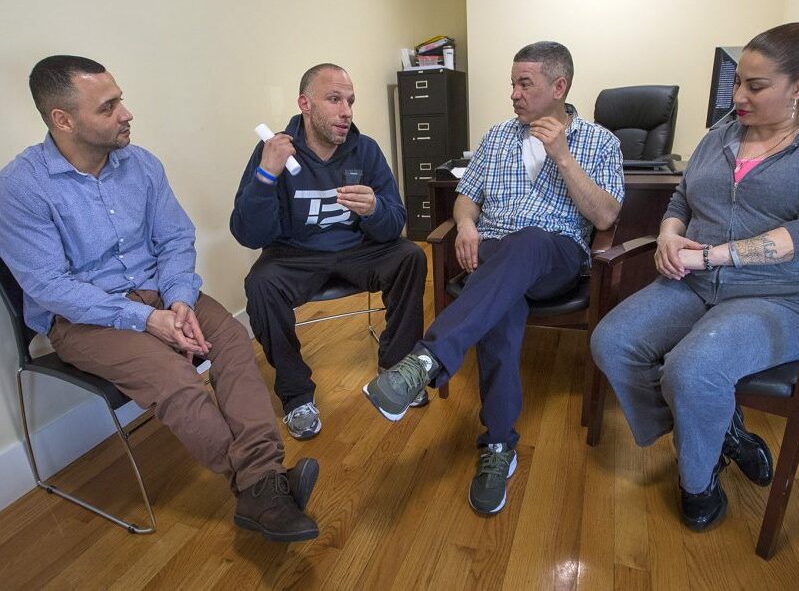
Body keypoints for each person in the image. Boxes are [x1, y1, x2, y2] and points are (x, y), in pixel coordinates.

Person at [0, 55, 319, 543]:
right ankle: (264, 486)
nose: (126, 113)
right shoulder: (22, 186)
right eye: (108, 107)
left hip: (160, 292)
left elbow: (174, 239)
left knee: (233, 341)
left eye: (120, 99)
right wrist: (146, 319)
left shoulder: (142, 164)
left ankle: (261, 484)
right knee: (174, 377)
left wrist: (178, 301)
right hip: (83, 319)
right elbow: (49, 286)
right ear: (62, 120)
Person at [590, 22, 799, 531]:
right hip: (694, 282)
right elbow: (680, 199)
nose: (738, 95)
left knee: (693, 371)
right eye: (738, 81)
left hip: (780, 295)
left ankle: (698, 483)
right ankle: (723, 433)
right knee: (613, 341)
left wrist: (715, 256)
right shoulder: (722, 133)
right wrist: (671, 235)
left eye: (755, 87)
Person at [363, 42, 624, 514]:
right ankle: (498, 446)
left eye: (525, 84)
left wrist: (563, 157)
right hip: (493, 257)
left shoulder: (600, 141)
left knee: (528, 241)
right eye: (512, 83)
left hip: (555, 256)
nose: (514, 94)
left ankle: (425, 361)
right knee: (502, 309)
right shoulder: (497, 136)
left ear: (558, 87)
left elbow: (606, 216)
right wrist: (465, 224)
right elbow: (467, 195)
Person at [230, 64, 427, 440]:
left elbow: (394, 220)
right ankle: (296, 396)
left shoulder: (365, 150)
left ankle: (397, 369)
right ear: (305, 103)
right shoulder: (273, 150)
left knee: (410, 256)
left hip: (357, 249)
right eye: (334, 99)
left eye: (350, 101)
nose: (346, 111)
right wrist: (266, 176)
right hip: (294, 254)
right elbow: (248, 234)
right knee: (260, 284)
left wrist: (374, 210)